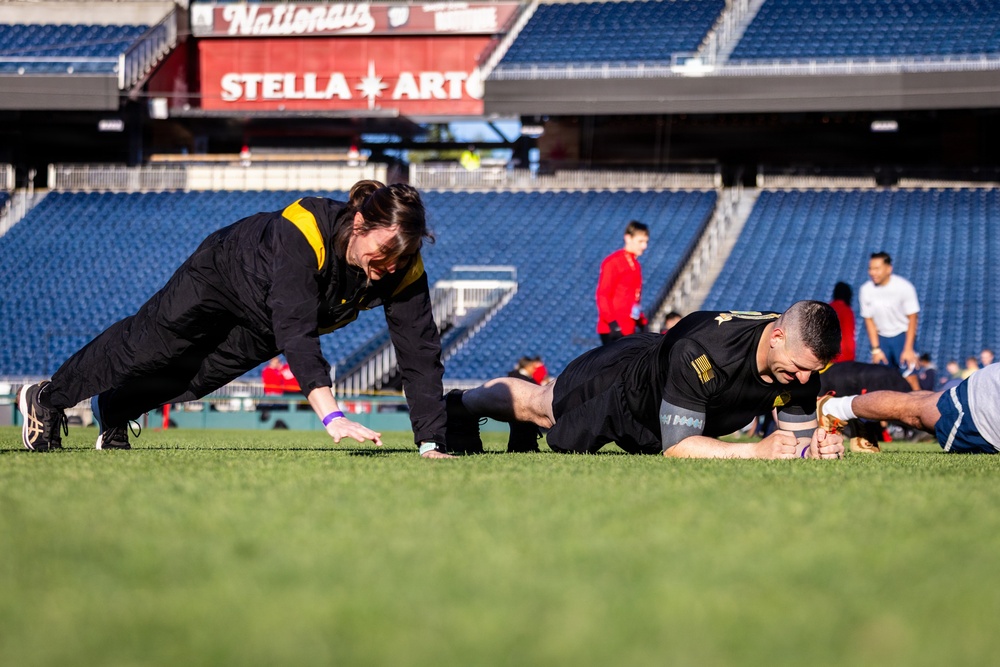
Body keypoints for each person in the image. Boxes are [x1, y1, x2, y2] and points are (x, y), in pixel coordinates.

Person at [18, 180, 451, 458]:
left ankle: (112, 411)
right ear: (359, 223)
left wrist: (432, 441)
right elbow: (296, 329)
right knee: (149, 346)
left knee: (195, 380)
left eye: (405, 255)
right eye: (388, 252)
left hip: (264, 317)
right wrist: (332, 416)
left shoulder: (403, 269)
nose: (394, 266)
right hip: (223, 274)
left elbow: (420, 352)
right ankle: (49, 398)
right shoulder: (303, 231)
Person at [446, 301, 845, 459]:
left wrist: (819, 449)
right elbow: (678, 447)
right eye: (798, 367)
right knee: (544, 408)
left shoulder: (799, 367)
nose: (804, 379)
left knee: (543, 413)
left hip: (663, 394)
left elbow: (799, 443)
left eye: (815, 371)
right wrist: (754, 452)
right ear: (776, 337)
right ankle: (459, 406)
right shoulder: (704, 352)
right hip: (625, 380)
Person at [817, 362, 1000, 454]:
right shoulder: (895, 377)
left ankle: (843, 412)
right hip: (984, 409)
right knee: (913, 411)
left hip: (986, 381)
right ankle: (833, 408)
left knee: (913, 405)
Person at [858, 251, 920, 372]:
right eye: (870, 268)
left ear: (888, 269)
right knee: (883, 381)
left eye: (877, 268)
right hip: (882, 339)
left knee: (910, 379)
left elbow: (913, 319)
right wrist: (876, 349)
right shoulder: (865, 290)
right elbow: (869, 320)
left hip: (902, 337)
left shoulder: (904, 287)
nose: (872, 272)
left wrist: (908, 348)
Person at [596, 220, 649, 345]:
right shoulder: (613, 262)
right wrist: (612, 323)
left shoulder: (635, 265)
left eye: (646, 242)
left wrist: (642, 322)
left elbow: (633, 299)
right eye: (640, 241)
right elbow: (603, 295)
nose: (644, 246)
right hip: (613, 329)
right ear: (628, 238)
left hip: (629, 328)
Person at [829, 282, 856, 363]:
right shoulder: (847, 311)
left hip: (826, 356)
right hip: (843, 357)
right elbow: (849, 335)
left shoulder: (827, 308)